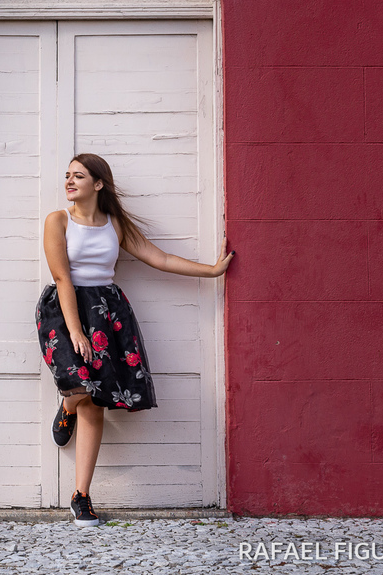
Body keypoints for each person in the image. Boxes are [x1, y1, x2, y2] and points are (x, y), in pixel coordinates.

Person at [35, 152, 234, 527]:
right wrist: (75, 330)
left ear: (98, 184)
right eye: (67, 175)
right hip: (63, 310)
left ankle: (81, 495)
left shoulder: (115, 224)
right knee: (76, 386)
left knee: (96, 402)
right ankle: (68, 407)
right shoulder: (57, 221)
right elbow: (62, 277)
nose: (69, 182)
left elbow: (157, 257)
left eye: (78, 176)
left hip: (106, 310)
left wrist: (211, 271)